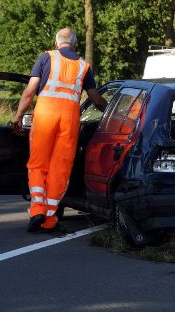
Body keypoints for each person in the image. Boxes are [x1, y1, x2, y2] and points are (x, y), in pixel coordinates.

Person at [12, 28, 107, 234]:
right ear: (74, 44)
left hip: (45, 115)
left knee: (38, 164)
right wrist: (113, 112)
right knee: (60, 168)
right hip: (70, 120)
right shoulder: (84, 66)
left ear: (57, 43)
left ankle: (37, 209)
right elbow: (96, 99)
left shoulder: (46, 58)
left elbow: (29, 92)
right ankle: (48, 219)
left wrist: (18, 116)